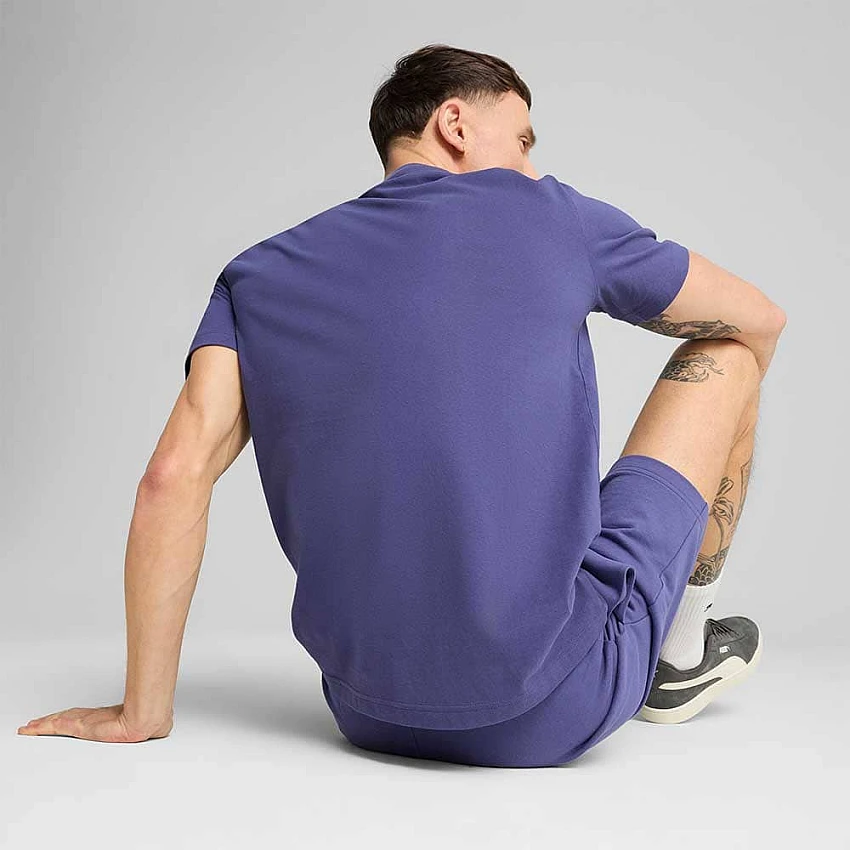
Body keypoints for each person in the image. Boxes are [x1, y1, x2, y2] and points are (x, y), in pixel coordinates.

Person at [17, 43, 786, 767]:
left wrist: (142, 711)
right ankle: (681, 655)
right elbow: (760, 319)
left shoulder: (256, 275)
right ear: (456, 124)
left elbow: (171, 479)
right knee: (729, 352)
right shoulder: (549, 214)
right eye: (522, 142)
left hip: (365, 714)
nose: (532, 167)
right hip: (554, 704)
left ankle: (156, 712)